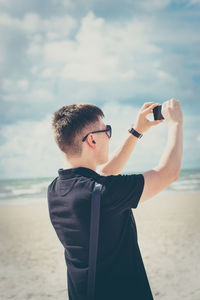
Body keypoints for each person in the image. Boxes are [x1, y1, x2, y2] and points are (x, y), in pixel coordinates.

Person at [47, 99, 183, 300]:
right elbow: (168, 173)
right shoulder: (104, 194)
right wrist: (176, 124)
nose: (109, 137)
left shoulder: (56, 189)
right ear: (92, 140)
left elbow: (105, 174)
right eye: (107, 131)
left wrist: (137, 131)